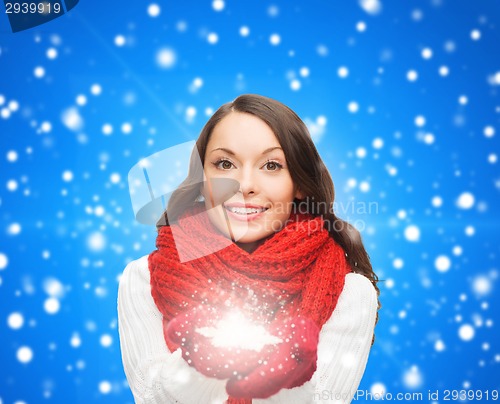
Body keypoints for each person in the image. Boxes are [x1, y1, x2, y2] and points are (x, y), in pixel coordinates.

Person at [118, 94, 379, 404]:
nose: (244, 185)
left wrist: (286, 365)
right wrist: (199, 362)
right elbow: (150, 398)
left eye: (271, 165)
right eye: (225, 164)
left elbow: (324, 400)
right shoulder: (143, 279)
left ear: (300, 184)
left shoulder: (350, 293)